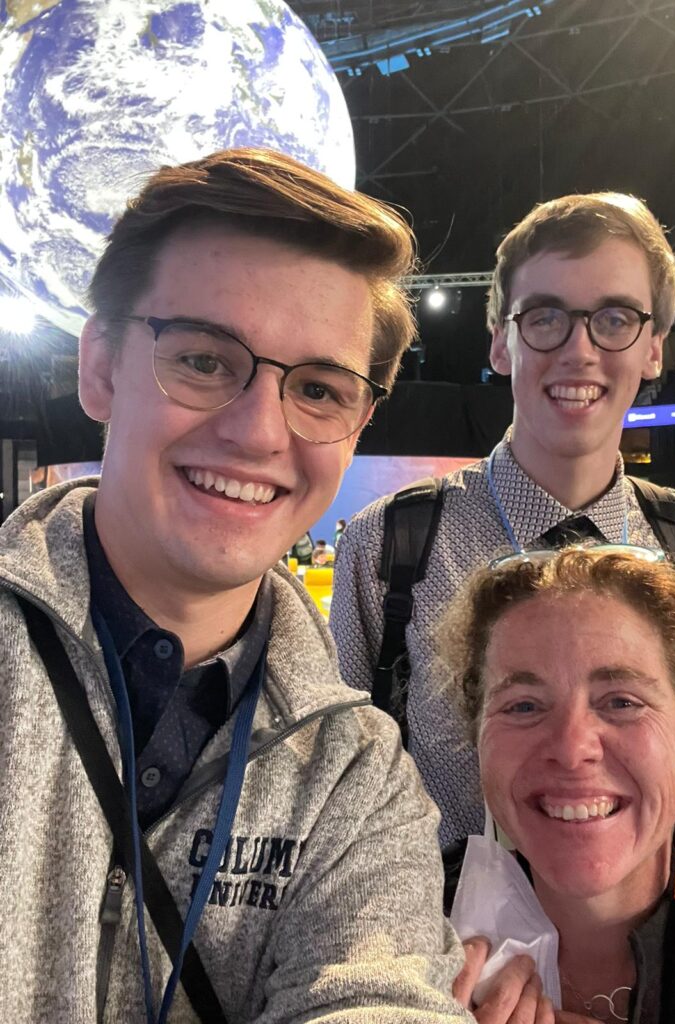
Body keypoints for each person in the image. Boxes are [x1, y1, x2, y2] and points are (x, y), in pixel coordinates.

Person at [0, 149, 472, 1022]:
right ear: (100, 365)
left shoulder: (358, 778)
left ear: (357, 424)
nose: (259, 433)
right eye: (207, 361)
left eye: (320, 389)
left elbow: (379, 998)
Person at [330, 191, 675, 847]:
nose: (578, 349)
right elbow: (337, 785)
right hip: (445, 930)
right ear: (500, 343)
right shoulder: (392, 544)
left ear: (654, 349)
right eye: (545, 316)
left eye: (614, 318)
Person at [440, 546, 675, 1024]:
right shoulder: (388, 942)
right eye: (524, 705)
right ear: (479, 744)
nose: (572, 749)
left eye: (621, 701)